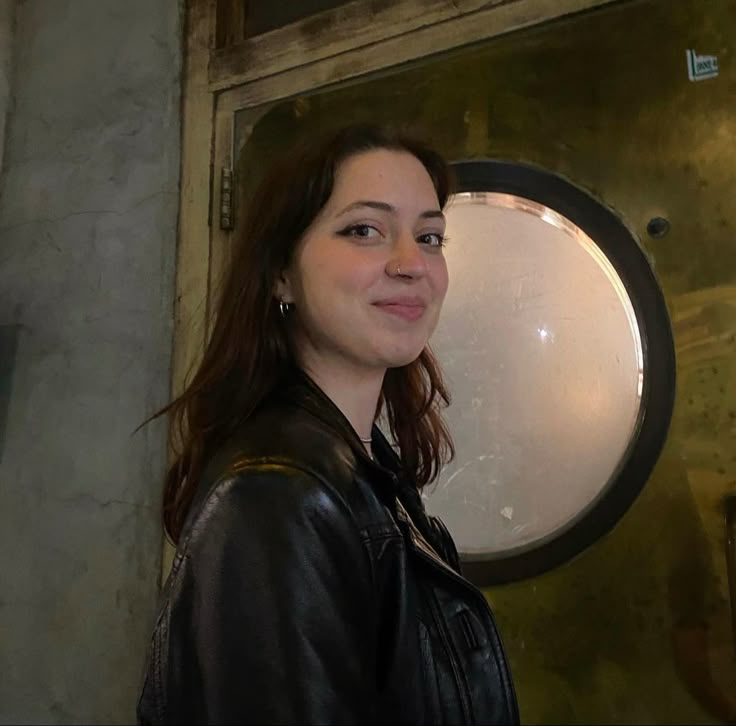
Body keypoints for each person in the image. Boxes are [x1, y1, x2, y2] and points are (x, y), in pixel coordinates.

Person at [136, 123, 519, 725]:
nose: (410, 263)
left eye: (430, 236)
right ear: (280, 273)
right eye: (364, 230)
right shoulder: (278, 493)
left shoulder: (362, 472)